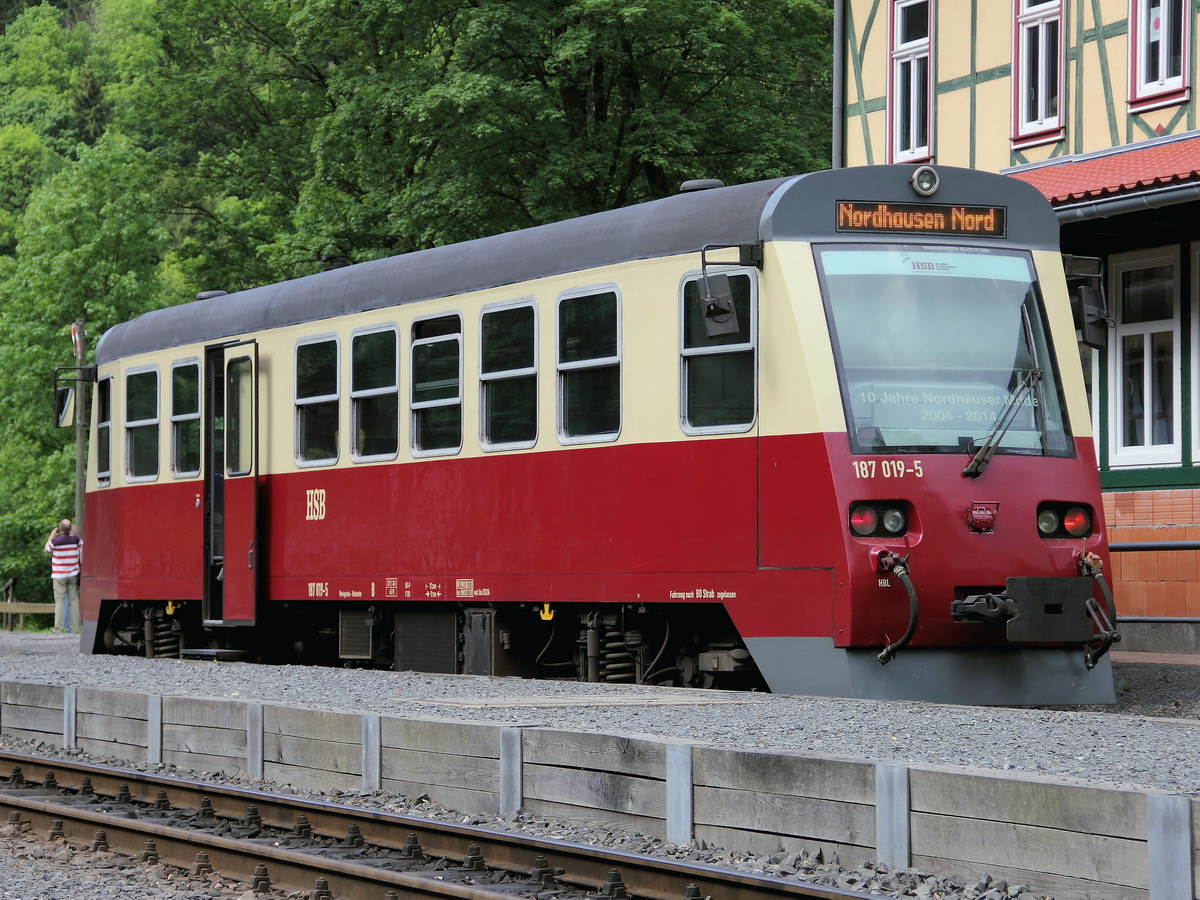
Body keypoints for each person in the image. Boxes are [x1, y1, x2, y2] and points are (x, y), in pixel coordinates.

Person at [44, 518, 82, 634]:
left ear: (60, 529)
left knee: (60, 602)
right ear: (70, 529)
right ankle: (74, 629)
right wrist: (75, 534)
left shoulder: (55, 541)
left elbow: (46, 550)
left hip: (59, 575)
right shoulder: (76, 540)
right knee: (74, 601)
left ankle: (58, 629)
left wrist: (51, 536)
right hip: (72, 574)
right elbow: (82, 546)